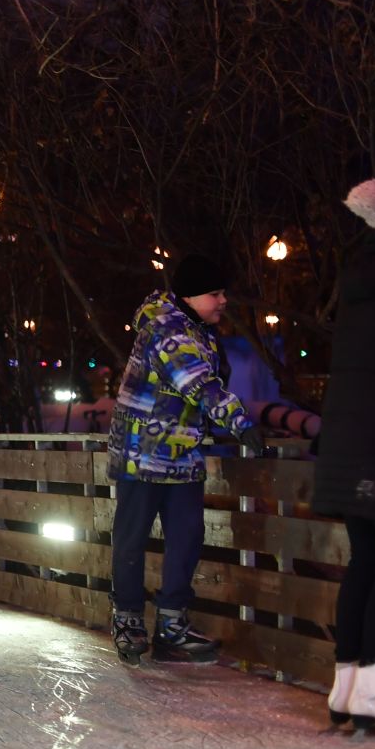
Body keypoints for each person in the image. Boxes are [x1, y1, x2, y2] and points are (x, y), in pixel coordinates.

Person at [106, 253, 264, 665]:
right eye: (216, 293)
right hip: (141, 455)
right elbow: (198, 383)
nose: (223, 300)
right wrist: (241, 423)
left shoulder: (199, 329)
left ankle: (172, 625)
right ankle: (128, 621)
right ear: (192, 296)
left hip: (182, 454)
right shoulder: (167, 329)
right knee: (131, 540)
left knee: (187, 538)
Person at [312, 180, 375, 727]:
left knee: (366, 563)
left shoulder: (360, 275)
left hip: (350, 450)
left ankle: (346, 689)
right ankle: (374, 694)